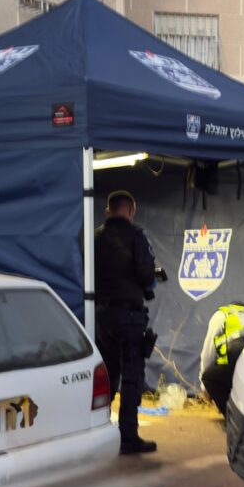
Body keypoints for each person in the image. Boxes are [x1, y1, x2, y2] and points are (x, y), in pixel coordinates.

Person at [95, 190, 158, 455]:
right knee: (132, 376)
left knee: (106, 375)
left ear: (108, 211)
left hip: (101, 316)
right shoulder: (136, 236)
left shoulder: (95, 238)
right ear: (131, 211)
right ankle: (128, 437)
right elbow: (147, 275)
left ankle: (98, 432)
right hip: (129, 316)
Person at [199, 302, 244, 416]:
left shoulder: (222, 314)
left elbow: (208, 353)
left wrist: (205, 388)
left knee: (209, 377)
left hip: (234, 353)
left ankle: (230, 415)